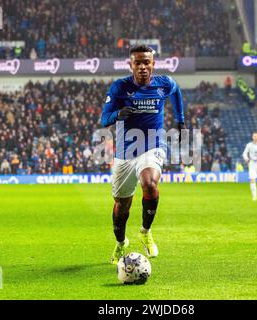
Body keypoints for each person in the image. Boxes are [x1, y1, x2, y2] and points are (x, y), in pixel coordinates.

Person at [100, 45, 185, 264]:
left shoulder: (164, 83)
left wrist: (181, 119)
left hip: (153, 145)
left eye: (146, 62)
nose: (143, 67)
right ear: (131, 65)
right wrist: (118, 114)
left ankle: (145, 232)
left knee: (150, 183)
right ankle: (120, 243)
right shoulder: (120, 87)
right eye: (138, 63)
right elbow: (104, 119)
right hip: (125, 152)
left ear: (153, 64)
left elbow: (176, 92)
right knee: (121, 206)